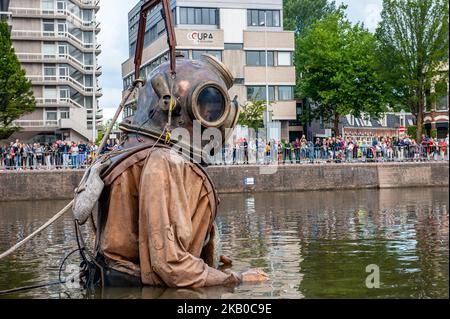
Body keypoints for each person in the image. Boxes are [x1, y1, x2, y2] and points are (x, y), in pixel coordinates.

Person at [74, 54, 266, 288]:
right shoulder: (163, 162)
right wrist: (237, 279)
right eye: (208, 110)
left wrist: (208, 260)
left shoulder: (135, 154)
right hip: (136, 286)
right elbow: (169, 266)